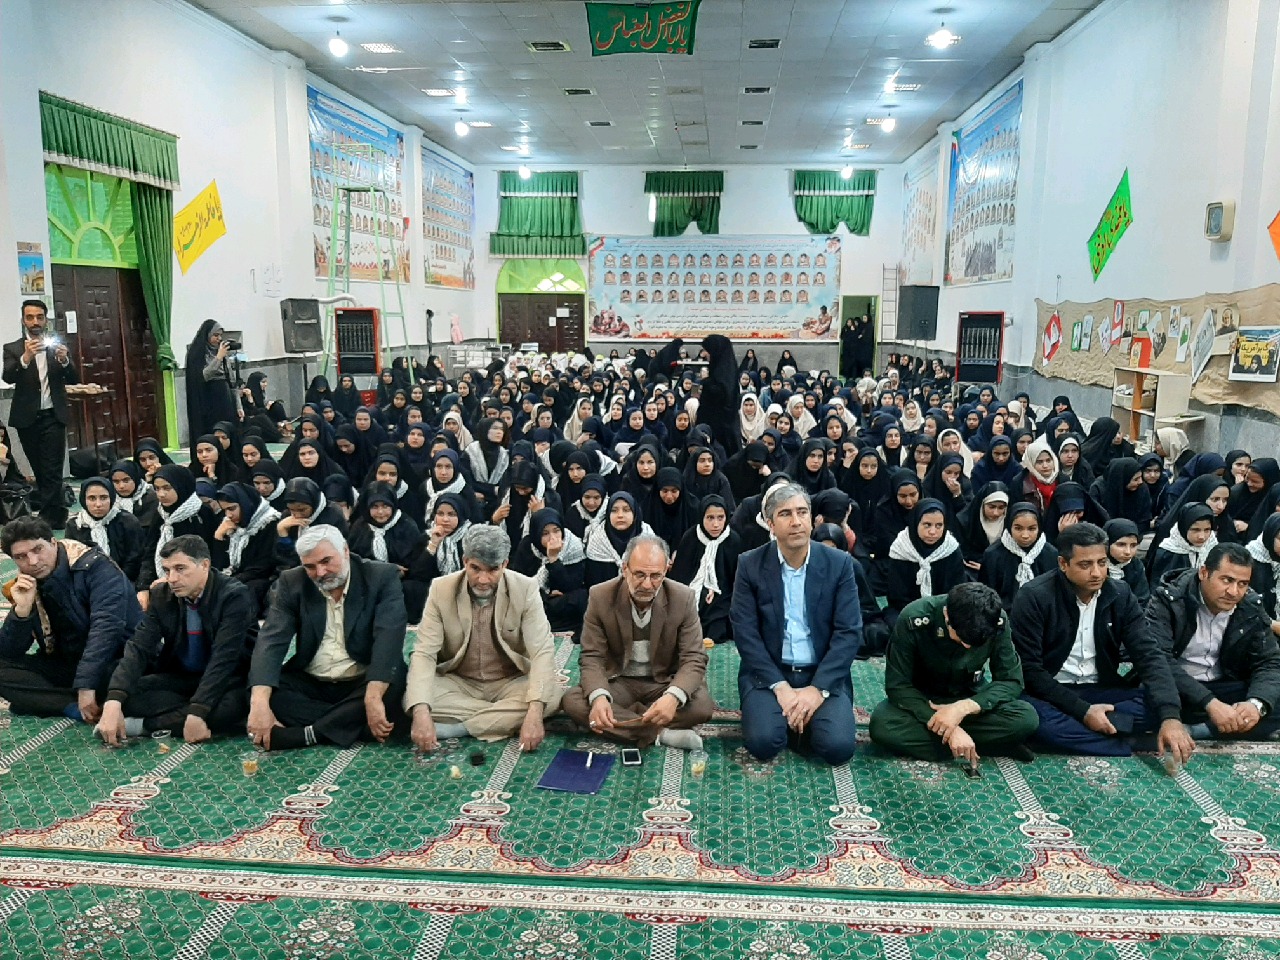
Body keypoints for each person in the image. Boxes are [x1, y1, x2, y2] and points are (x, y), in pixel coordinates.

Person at [1010, 522, 1193, 762]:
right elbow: (1031, 671)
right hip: (1050, 693)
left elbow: (1148, 654)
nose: (1097, 573)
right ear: (1063, 564)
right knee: (1029, 717)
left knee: (1159, 705)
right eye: (1085, 565)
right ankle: (1127, 741)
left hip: (1100, 689)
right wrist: (1083, 711)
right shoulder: (1034, 596)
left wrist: (1170, 717)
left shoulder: (1120, 594)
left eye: (1102, 562)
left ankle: (1085, 735)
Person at [731, 482, 861, 764]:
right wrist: (780, 687)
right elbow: (745, 633)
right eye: (785, 514)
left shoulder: (839, 563)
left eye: (802, 512)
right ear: (770, 524)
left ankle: (804, 717)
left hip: (821, 672)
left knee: (837, 748)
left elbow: (849, 632)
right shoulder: (750, 564)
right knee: (764, 743)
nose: (796, 521)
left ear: (812, 519)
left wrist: (817, 690)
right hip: (770, 673)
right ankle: (788, 718)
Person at [246, 525, 407, 750]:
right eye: (310, 566)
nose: (321, 573)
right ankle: (351, 726)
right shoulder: (292, 582)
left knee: (393, 681)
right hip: (313, 680)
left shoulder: (380, 576)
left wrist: (372, 697)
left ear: (345, 551)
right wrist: (259, 702)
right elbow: (272, 640)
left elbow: (388, 636)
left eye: (326, 561)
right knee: (262, 691)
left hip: (361, 680)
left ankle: (309, 734)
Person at [406, 525, 560, 749]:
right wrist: (421, 712)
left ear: (505, 564)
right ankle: (501, 720)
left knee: (551, 697)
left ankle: (460, 728)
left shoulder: (525, 588)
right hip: (459, 682)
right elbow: (424, 653)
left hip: (510, 681)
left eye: (493, 570)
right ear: (465, 561)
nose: (483, 579)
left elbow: (542, 651)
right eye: (475, 568)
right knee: (414, 699)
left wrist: (535, 712)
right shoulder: (441, 589)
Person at [94, 536, 256, 743]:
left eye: (180, 569)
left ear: (204, 565)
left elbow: (224, 659)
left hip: (229, 679)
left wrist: (198, 710)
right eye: (167, 570)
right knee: (119, 692)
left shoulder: (233, 596)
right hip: (182, 677)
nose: (171, 578)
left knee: (229, 708)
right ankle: (181, 717)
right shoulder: (162, 595)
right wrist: (114, 701)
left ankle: (144, 726)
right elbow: (139, 647)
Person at [563, 534, 713, 750]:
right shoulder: (600, 596)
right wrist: (599, 698)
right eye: (640, 574)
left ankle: (626, 721)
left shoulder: (683, 598)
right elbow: (592, 656)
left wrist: (672, 697)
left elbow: (694, 657)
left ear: (666, 570)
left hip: (663, 681)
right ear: (625, 569)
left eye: (656, 576)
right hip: (619, 680)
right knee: (573, 701)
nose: (647, 584)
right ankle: (661, 733)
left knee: (701, 706)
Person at [870, 582, 1039, 763]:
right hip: (924, 701)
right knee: (883, 726)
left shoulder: (995, 619)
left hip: (969, 697)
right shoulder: (914, 618)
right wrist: (951, 729)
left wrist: (962, 708)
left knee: (1026, 718)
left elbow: (1011, 681)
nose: (967, 647)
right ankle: (985, 745)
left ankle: (950, 746)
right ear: (946, 615)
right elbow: (898, 686)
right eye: (961, 639)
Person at [0, 516, 142, 719]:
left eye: (38, 549)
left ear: (53, 542)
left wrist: (86, 684)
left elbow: (106, 629)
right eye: (21, 557)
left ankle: (46, 700)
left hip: (115, 659)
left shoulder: (97, 567)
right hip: (68, 662)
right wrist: (22, 612)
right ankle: (70, 705)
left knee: (129, 682)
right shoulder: (26, 583)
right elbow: (9, 652)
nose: (33, 561)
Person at [1146, 542, 1280, 740]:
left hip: (1225, 686)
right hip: (1178, 687)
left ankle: (1200, 730)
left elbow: (1268, 661)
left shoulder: (1250, 605)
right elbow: (1159, 660)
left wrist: (1255, 705)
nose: (1234, 592)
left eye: (1242, 584)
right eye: (1227, 580)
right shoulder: (1170, 599)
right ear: (1204, 573)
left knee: (1269, 699)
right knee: (1137, 708)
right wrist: (1210, 703)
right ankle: (1221, 727)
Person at [2, 300, 78, 528]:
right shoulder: (13, 348)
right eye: (30, 317)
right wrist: (25, 358)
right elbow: (8, 376)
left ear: (46, 320)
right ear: (23, 320)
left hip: (53, 416)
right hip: (27, 419)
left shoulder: (58, 347)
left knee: (52, 469)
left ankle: (48, 519)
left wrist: (65, 360)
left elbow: (74, 377)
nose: (35, 322)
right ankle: (57, 514)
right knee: (39, 469)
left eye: (39, 317)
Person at [65, 477, 147, 583]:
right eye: (92, 498)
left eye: (103, 498)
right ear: (83, 500)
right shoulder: (75, 525)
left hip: (124, 580)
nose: (98, 504)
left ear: (111, 498)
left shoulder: (127, 521)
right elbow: (72, 561)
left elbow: (135, 559)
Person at [184, 319, 239, 446]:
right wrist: (218, 357)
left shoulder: (221, 352)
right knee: (212, 433)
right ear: (207, 335)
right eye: (215, 335)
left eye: (220, 335)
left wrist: (238, 406)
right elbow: (204, 376)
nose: (219, 339)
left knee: (227, 432)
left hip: (225, 398)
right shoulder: (197, 353)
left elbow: (231, 380)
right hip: (207, 401)